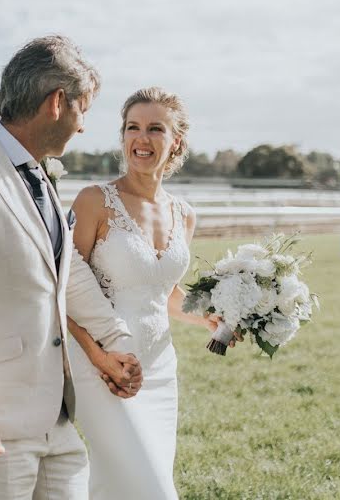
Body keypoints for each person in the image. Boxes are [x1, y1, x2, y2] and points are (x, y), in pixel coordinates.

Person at [0, 35, 143, 499]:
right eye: (84, 109)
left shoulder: (39, 175)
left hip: (56, 419)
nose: (83, 127)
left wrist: (115, 340)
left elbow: (66, 269)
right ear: (57, 102)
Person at [67, 88, 226, 499]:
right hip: (103, 367)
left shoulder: (185, 214)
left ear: (176, 141)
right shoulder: (94, 202)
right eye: (132, 127)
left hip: (159, 370)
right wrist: (100, 358)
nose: (142, 138)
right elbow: (61, 292)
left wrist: (205, 317)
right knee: (151, 489)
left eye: (156, 128)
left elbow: (162, 293)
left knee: (120, 486)